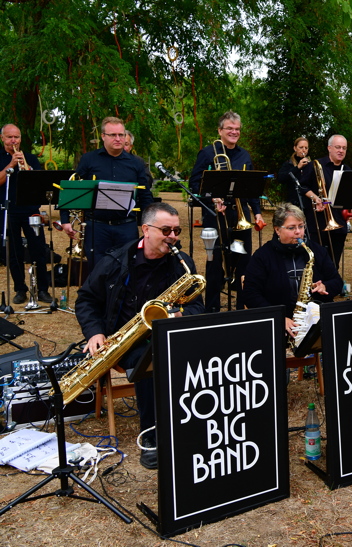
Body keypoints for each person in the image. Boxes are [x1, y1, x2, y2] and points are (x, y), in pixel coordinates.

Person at [75, 202, 204, 469]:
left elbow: (197, 307)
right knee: (152, 363)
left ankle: (194, 427)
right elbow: (86, 299)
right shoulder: (115, 260)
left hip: (169, 333)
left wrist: (177, 316)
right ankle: (152, 438)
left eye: (177, 231)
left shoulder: (181, 262)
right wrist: (95, 333)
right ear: (146, 229)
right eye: (166, 230)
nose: (173, 237)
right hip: (126, 341)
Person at [188, 110, 264, 312]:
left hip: (239, 217)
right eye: (229, 128)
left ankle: (241, 307)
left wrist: (256, 212)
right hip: (215, 217)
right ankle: (212, 308)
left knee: (241, 260)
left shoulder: (244, 155)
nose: (234, 132)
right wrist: (211, 197)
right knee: (214, 262)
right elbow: (194, 184)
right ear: (220, 130)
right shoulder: (207, 153)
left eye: (237, 129)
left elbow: (251, 189)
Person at [59, 117, 154, 271]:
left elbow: (145, 195)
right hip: (96, 228)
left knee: (127, 271)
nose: (118, 139)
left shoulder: (136, 162)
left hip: (126, 227)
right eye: (113, 135)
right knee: (97, 273)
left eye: (121, 135)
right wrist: (65, 220)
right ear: (103, 136)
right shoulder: (89, 159)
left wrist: (151, 223)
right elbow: (72, 189)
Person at [243, 203, 342, 341]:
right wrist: (279, 317)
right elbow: (250, 295)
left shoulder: (317, 250)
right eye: (291, 228)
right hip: (279, 324)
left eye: (301, 226)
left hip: (315, 321)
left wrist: (325, 286)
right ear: (277, 230)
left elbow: (337, 281)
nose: (298, 232)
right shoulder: (263, 256)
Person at [0, 124, 53, 305]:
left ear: (20, 138)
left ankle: (43, 290)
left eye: (16, 137)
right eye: (9, 137)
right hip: (9, 211)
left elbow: (38, 182)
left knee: (38, 250)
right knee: (15, 254)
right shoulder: (1, 158)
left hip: (31, 210)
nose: (13, 141)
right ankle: (20, 289)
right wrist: (11, 164)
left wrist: (26, 166)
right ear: (3, 139)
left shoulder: (30, 158)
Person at [299, 134, 351, 268]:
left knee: (334, 262)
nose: (341, 151)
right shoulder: (315, 165)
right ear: (329, 148)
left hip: (339, 222)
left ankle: (332, 286)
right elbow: (302, 187)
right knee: (316, 261)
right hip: (318, 221)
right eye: (338, 147)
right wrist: (315, 198)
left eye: (344, 148)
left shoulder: (347, 170)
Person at [278, 137, 314, 211]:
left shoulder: (311, 164)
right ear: (295, 148)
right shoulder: (288, 164)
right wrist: (297, 168)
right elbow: (281, 178)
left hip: (307, 202)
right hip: (293, 203)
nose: (304, 150)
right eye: (301, 147)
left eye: (306, 148)